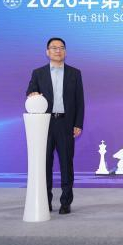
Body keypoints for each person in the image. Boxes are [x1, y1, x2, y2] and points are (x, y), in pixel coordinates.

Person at [26, 37, 84, 215]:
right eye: (54, 48)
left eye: (61, 48)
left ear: (65, 51)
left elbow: (80, 101)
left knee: (66, 164)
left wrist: (78, 123)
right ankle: (45, 200)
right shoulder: (38, 73)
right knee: (45, 163)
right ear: (47, 52)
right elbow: (30, 91)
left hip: (66, 123)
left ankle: (66, 202)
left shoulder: (75, 73)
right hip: (44, 124)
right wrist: (32, 94)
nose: (58, 51)